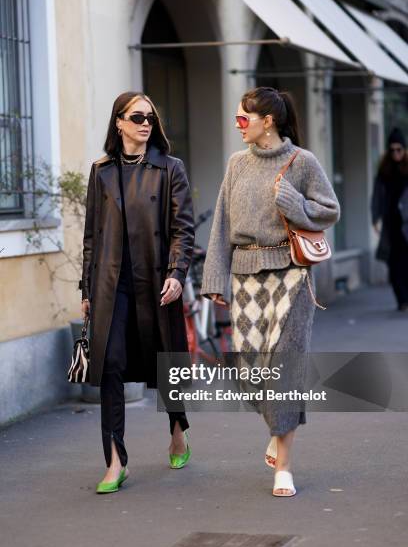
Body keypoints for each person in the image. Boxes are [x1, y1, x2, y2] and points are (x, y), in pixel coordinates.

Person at [200, 86, 340, 497]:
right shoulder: (236, 164)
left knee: (285, 369)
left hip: (292, 275)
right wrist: (215, 280)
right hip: (245, 278)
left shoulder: (302, 162)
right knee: (249, 372)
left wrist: (295, 203)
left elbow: (329, 209)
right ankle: (280, 426)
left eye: (244, 118)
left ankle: (285, 466)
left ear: (268, 122)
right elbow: (222, 225)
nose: (238, 124)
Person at [80, 91, 195, 493]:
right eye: (137, 116)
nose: (145, 123)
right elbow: (91, 236)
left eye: (150, 116)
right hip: (113, 285)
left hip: (157, 280)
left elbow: (184, 228)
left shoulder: (170, 168)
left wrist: (178, 272)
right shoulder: (102, 171)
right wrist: (86, 287)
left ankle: (178, 427)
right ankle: (115, 461)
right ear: (119, 123)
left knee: (165, 362)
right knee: (110, 364)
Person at [371, 127, 408, 311]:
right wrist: (375, 218)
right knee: (394, 264)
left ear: (405, 149)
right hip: (391, 225)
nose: (396, 153)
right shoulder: (384, 171)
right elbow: (377, 196)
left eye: (399, 149)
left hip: (406, 224)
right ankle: (402, 300)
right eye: (392, 150)